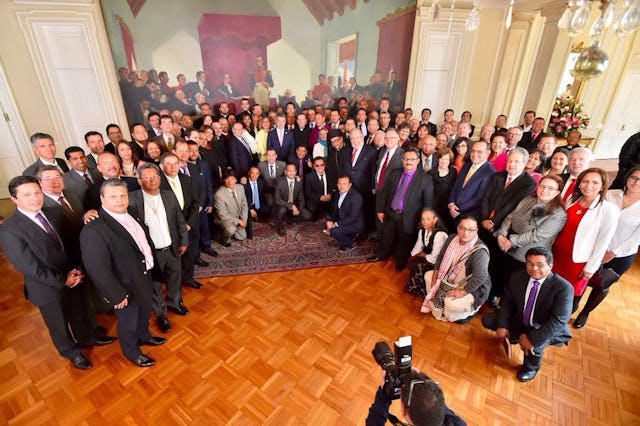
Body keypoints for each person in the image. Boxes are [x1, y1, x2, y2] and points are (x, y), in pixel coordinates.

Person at [0, 176, 116, 370]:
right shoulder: (10, 230)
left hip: (74, 275)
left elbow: (72, 243)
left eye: (37, 192)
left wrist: (78, 268)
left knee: (80, 310)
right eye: (27, 194)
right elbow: (29, 267)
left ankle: (88, 336)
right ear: (14, 199)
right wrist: (63, 280)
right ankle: (71, 352)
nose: (34, 198)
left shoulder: (55, 212)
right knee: (59, 323)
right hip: (47, 287)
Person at [80, 179, 166, 367]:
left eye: (122, 195)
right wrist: (116, 295)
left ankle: (144, 336)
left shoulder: (132, 212)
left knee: (144, 311)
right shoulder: (94, 229)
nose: (119, 200)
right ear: (102, 199)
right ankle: (131, 351)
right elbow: (97, 268)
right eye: (113, 197)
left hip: (143, 275)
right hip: (123, 286)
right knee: (128, 321)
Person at [481, 247, 573, 382]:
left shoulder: (563, 288)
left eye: (540, 265)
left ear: (550, 266)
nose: (534, 268)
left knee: (534, 346)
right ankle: (515, 336)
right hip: (521, 319)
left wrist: (532, 339)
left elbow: (559, 321)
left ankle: (531, 368)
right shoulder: (517, 276)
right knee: (488, 321)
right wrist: (503, 325)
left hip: (544, 326)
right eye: (530, 263)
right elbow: (508, 302)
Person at [573, 166, 640, 328]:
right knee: (582, 277)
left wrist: (612, 253)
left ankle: (585, 313)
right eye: (634, 178)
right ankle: (573, 305)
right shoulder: (610, 195)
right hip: (594, 248)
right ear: (627, 177)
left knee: (601, 285)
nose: (636, 182)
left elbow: (636, 238)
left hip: (620, 256)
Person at [129, 163, 189, 334]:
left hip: (172, 247)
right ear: (140, 180)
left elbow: (179, 220)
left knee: (175, 278)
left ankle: (174, 303)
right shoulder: (132, 199)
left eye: (155, 176)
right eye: (147, 177)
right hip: (150, 253)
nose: (152, 180)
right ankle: (161, 314)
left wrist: (184, 241)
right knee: (155, 286)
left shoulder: (169, 195)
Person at [492, 175, 567, 308]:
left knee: (518, 285)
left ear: (557, 192)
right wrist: (501, 235)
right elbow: (510, 216)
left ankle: (509, 311)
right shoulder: (528, 199)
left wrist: (510, 241)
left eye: (550, 188)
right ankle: (499, 303)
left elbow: (536, 235)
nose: (545, 190)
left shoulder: (559, 214)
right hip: (508, 247)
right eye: (543, 186)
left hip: (528, 254)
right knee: (505, 277)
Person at [552, 168, 619, 309]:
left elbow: (603, 242)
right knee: (551, 290)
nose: (589, 186)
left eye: (595, 182)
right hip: (556, 254)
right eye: (585, 181)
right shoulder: (572, 198)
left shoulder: (608, 210)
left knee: (566, 297)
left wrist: (591, 267)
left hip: (577, 262)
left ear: (602, 186)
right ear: (580, 183)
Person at [368, 148, 435, 271]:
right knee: (386, 236)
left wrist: (424, 221)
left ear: (417, 161)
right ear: (402, 160)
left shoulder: (425, 179)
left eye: (412, 159)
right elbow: (384, 192)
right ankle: (382, 255)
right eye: (405, 159)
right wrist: (380, 209)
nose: (408, 161)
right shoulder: (395, 173)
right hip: (391, 213)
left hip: (409, 217)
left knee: (404, 242)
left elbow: (428, 203)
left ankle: (400, 262)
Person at [420, 215, 490, 323]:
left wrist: (463, 291)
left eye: (471, 230)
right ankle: (440, 306)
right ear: (458, 227)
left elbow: (481, 276)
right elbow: (441, 256)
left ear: (476, 230)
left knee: (451, 304)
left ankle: (464, 313)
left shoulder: (480, 251)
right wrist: (435, 274)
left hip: (469, 285)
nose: (465, 232)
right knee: (428, 277)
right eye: (462, 228)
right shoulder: (452, 238)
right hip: (449, 279)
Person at [159, 153, 203, 289]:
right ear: (161, 166)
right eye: (169, 164)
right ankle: (175, 285)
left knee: (190, 254)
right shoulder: (158, 183)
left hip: (189, 225)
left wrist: (189, 224)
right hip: (170, 227)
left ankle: (188, 278)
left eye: (175, 163)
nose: (173, 167)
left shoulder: (186, 179)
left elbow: (196, 203)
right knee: (174, 258)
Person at [366, 370, 466, 426]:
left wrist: (383, 395)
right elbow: (436, 402)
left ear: (404, 410)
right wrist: (422, 382)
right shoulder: (459, 424)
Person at [448, 140, 495, 222]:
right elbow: (456, 186)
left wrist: (457, 209)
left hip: (469, 217)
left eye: (479, 152)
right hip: (452, 212)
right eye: (473, 151)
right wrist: (451, 203)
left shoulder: (490, 173)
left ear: (487, 153)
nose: (474, 154)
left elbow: (479, 199)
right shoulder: (466, 165)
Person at [405, 209, 448, 297]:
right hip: (429, 257)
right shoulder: (422, 231)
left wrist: (423, 255)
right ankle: (416, 287)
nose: (424, 222)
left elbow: (435, 258)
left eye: (428, 219)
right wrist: (412, 256)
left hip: (439, 262)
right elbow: (418, 245)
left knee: (419, 266)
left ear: (435, 220)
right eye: (423, 219)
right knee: (413, 263)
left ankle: (425, 292)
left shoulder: (440, 235)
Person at [324, 175, 364, 252]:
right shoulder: (338, 193)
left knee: (333, 231)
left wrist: (335, 224)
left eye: (344, 184)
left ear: (350, 185)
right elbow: (335, 211)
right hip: (344, 220)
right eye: (340, 184)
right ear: (337, 185)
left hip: (355, 224)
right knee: (327, 225)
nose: (341, 186)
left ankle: (351, 244)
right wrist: (330, 221)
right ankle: (346, 236)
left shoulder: (356, 197)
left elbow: (352, 218)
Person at [273, 164, 312, 236]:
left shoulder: (299, 182)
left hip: (294, 205)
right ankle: (280, 227)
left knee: (308, 216)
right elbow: (277, 200)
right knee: (282, 210)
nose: (291, 173)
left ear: (296, 171)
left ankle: (290, 219)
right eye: (289, 171)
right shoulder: (280, 182)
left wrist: (299, 210)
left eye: (293, 171)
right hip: (283, 205)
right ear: (285, 172)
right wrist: (292, 206)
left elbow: (301, 198)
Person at [214, 169, 249, 245]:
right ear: (223, 180)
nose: (230, 182)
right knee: (231, 229)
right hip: (223, 219)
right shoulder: (219, 195)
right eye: (227, 179)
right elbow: (223, 215)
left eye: (232, 179)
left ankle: (234, 229)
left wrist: (243, 220)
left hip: (236, 216)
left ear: (236, 179)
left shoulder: (240, 187)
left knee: (242, 237)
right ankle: (223, 239)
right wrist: (238, 221)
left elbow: (244, 205)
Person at [430, 148, 457, 232]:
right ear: (438, 159)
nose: (444, 161)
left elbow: (456, 189)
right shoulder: (431, 173)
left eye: (447, 159)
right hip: (435, 208)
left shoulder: (453, 172)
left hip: (449, 208)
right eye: (442, 158)